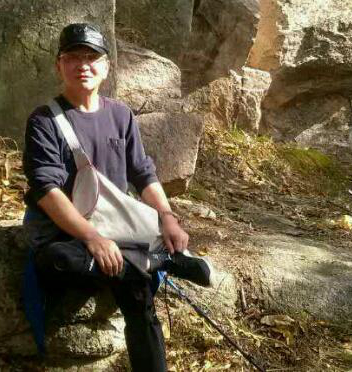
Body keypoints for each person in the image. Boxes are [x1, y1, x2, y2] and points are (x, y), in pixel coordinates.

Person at [22, 23, 212, 372]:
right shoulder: (44, 120)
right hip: (67, 235)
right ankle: (155, 261)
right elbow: (46, 191)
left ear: (106, 67)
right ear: (59, 65)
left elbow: (143, 173)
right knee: (58, 260)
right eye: (73, 57)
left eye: (92, 57)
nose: (83, 65)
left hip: (116, 230)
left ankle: (140, 265)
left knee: (140, 302)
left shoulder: (120, 115)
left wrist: (167, 217)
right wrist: (92, 238)